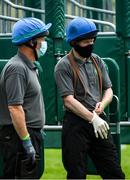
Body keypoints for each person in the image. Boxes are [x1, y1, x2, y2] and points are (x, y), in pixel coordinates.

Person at [54, 17, 125, 179]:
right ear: (74, 43)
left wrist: (103, 104)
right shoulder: (63, 66)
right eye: (86, 42)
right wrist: (93, 118)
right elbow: (68, 100)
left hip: (99, 121)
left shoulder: (97, 61)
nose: (90, 45)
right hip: (76, 124)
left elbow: (108, 89)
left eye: (92, 41)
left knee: (114, 172)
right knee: (76, 174)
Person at [0, 17, 51, 179]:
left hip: (27, 134)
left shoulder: (29, 66)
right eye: (42, 40)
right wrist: (26, 141)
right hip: (18, 138)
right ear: (31, 42)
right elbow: (15, 108)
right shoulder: (17, 68)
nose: (44, 44)